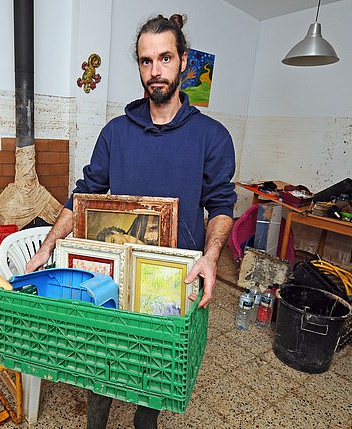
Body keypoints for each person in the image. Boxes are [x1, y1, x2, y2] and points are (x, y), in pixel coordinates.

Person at [25, 13, 236, 429]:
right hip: (112, 275)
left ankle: (146, 418)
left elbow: (221, 204)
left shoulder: (212, 137)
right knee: (102, 359)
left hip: (170, 277)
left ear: (183, 61)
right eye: (145, 61)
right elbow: (83, 195)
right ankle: (97, 417)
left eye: (164, 58)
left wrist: (211, 256)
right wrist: (47, 247)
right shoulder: (116, 133)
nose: (155, 71)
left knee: (155, 366)